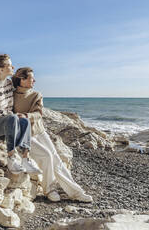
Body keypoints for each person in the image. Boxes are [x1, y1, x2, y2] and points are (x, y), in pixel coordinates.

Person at [12, 67, 93, 203]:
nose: (35, 80)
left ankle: (76, 192)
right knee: (46, 155)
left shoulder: (36, 95)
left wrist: (25, 115)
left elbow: (38, 114)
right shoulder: (11, 95)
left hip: (39, 131)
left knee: (56, 160)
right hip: (24, 134)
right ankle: (49, 190)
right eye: (32, 78)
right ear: (22, 79)